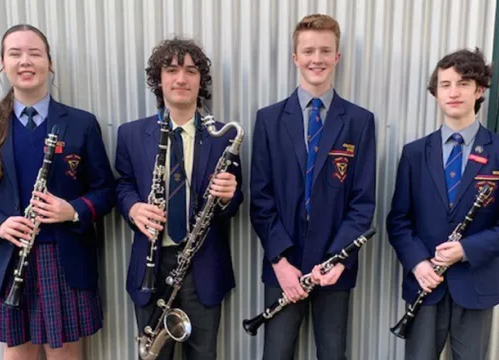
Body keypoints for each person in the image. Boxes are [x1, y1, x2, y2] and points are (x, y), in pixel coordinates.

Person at [0, 24, 115, 360]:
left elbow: (105, 191)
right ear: (2, 63)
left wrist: (73, 210)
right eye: (15, 53)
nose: (25, 61)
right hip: (8, 258)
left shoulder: (81, 123)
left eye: (34, 53)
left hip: (64, 261)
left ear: (49, 63)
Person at [250, 14, 376, 360]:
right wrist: (279, 261)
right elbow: (260, 199)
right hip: (284, 265)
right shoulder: (269, 119)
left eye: (325, 50)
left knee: (333, 353)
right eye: (308, 51)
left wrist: (339, 259)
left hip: (335, 267)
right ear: (295, 58)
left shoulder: (359, 122)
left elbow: (362, 202)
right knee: (276, 353)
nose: (316, 59)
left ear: (337, 57)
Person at [115, 37, 243, 360]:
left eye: (191, 70)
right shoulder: (130, 134)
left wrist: (230, 196)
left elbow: (237, 200)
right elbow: (122, 186)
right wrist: (133, 208)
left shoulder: (224, 136)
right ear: (159, 80)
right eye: (171, 70)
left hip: (204, 268)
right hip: (151, 266)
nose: (182, 78)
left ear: (202, 80)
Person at [387, 48, 498, 360]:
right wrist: (419, 264)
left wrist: (466, 250)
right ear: (435, 93)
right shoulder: (414, 153)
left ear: (479, 90)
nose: (454, 92)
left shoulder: (498, 151)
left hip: (476, 284)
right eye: (445, 84)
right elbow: (398, 221)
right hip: (426, 282)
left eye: (463, 83)